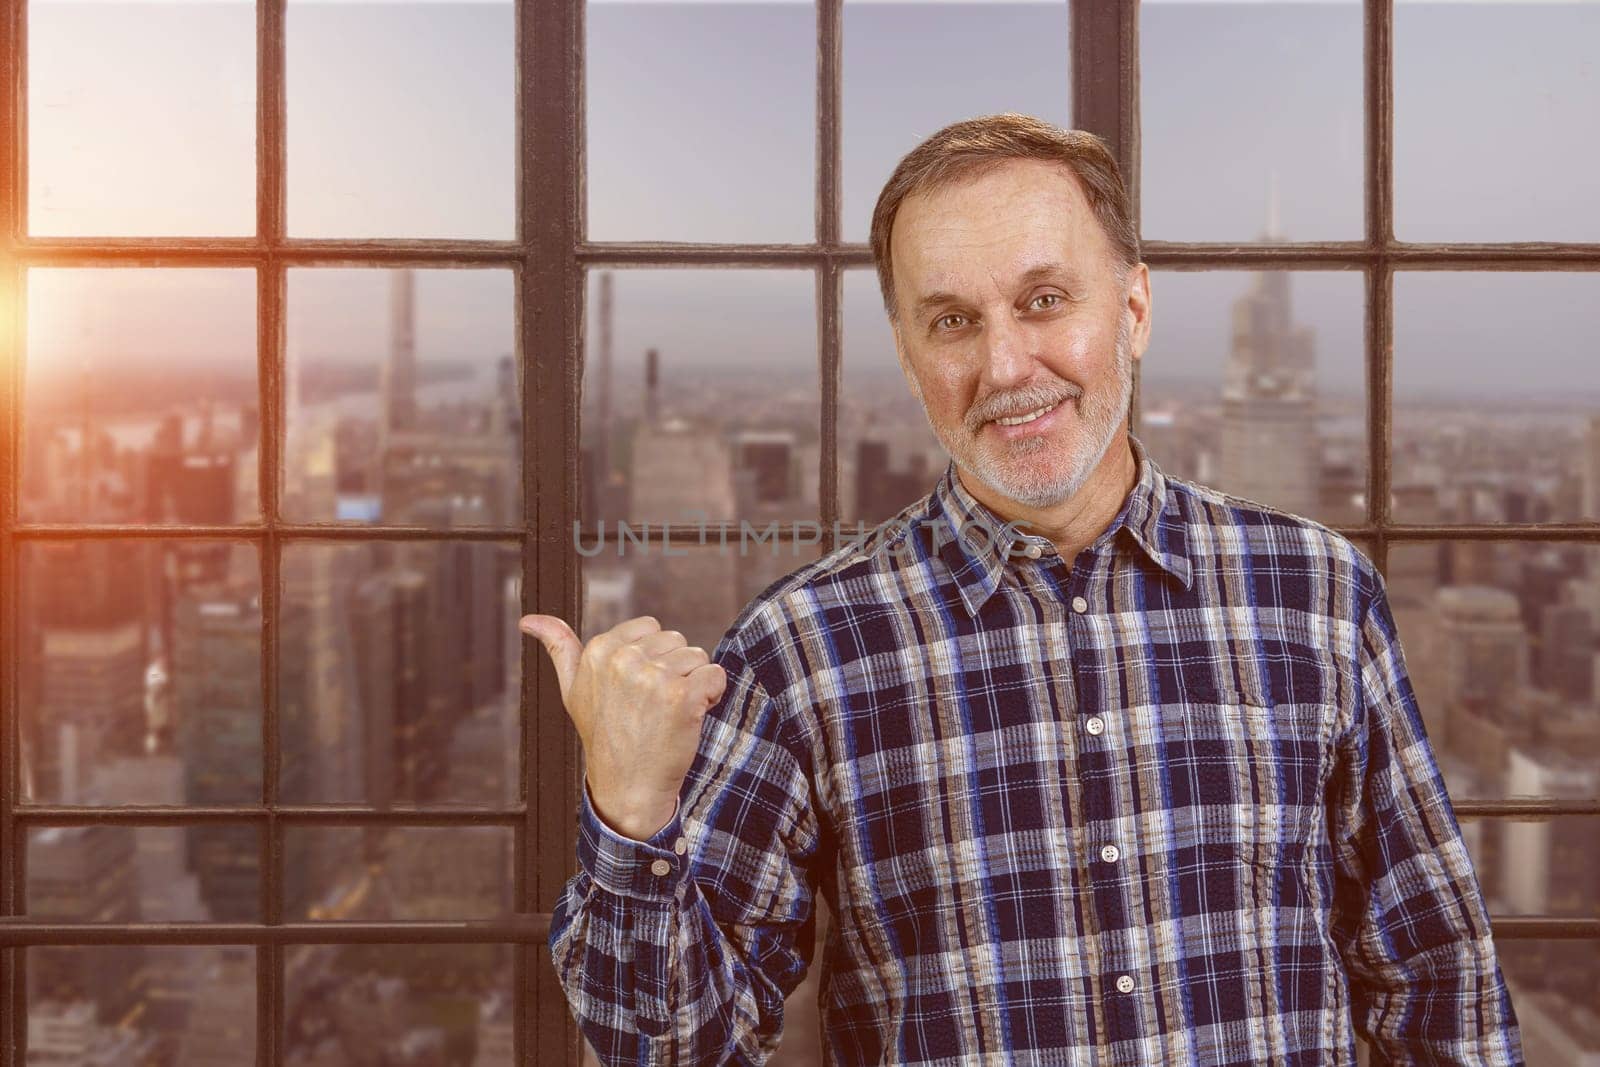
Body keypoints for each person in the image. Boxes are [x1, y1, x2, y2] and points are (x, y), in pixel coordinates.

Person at [522, 113, 1524, 1066]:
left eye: (1045, 300)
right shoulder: (803, 649)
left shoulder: (1318, 594)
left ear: (1131, 310)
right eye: (952, 320)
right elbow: (677, 1049)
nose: (1005, 364)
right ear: (914, 360)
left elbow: (1440, 981)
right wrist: (634, 817)